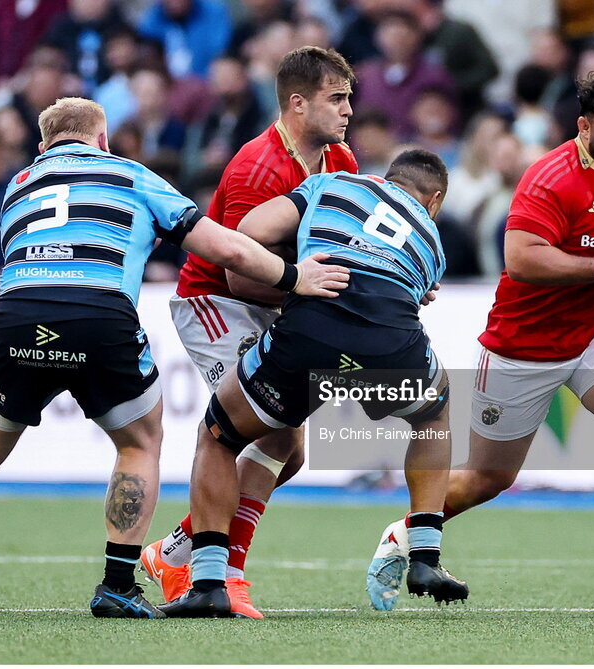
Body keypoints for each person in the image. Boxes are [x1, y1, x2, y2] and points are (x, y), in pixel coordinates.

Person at [0, 97, 348, 619]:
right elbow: (227, 249)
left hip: (19, 314)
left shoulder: (17, 187)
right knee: (139, 442)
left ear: (43, 148)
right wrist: (296, 278)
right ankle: (116, 584)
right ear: (102, 141)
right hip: (99, 313)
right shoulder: (129, 174)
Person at [365, 66, 594, 611]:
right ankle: (402, 534)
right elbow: (521, 259)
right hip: (521, 345)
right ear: (584, 126)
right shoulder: (549, 177)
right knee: (489, 477)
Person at [159, 149, 468, 618]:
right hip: (387, 343)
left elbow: (252, 233)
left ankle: (206, 582)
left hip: (309, 328)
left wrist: (305, 261)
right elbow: (411, 293)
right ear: (435, 200)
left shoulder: (337, 182)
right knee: (432, 413)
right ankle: (425, 555)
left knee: (219, 436)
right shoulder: (433, 240)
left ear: (384, 177)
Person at [138, 46, 360, 620]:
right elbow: (238, 274)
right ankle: (226, 572)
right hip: (214, 303)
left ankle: (177, 549)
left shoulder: (342, 163)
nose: (348, 111)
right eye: (336, 99)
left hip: (281, 301)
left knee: (291, 456)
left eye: (349, 99)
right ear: (297, 103)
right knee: (269, 434)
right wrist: (309, 288)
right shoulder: (257, 166)